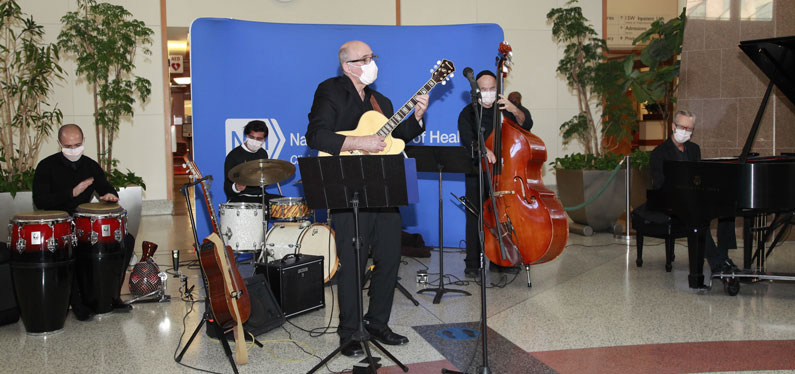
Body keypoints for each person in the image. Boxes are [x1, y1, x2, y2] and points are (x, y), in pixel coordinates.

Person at [305, 40, 429, 357]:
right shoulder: (331, 90)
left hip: (383, 190)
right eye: (366, 58)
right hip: (348, 191)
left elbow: (394, 141)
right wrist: (360, 141)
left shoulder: (381, 101)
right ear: (348, 66)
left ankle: (377, 324)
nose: (373, 62)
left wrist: (416, 118)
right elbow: (316, 135)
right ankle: (349, 333)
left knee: (389, 260)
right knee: (354, 265)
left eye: (374, 57)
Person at [32, 123, 134, 320]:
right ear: (59, 143)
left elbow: (105, 186)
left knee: (125, 241)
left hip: (83, 223)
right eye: (68, 146)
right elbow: (40, 200)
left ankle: (112, 296)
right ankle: (78, 302)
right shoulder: (46, 166)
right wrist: (72, 192)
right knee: (74, 249)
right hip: (58, 225)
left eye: (77, 145)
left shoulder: (90, 165)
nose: (73, 150)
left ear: (83, 142)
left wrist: (110, 195)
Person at [458, 72, 533, 278]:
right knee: (475, 216)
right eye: (484, 89)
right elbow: (467, 139)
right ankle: (473, 262)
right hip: (478, 171)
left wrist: (514, 109)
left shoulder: (506, 109)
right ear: (476, 91)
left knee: (504, 216)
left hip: (506, 174)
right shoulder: (468, 113)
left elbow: (527, 124)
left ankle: (503, 260)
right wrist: (484, 149)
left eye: (492, 89)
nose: (488, 93)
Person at [648, 110, 738, 275]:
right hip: (671, 201)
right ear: (673, 126)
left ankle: (723, 256)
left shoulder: (694, 149)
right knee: (699, 218)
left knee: (727, 209)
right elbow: (659, 183)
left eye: (690, 129)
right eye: (682, 127)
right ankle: (718, 264)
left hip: (695, 198)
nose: (685, 132)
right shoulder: (659, 153)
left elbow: (700, 177)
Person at [223, 119, 280, 204]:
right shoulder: (234, 155)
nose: (255, 141)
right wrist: (236, 187)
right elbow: (227, 187)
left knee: (285, 203)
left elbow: (264, 180)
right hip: (241, 199)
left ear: (264, 139)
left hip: (261, 196)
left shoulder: (262, 153)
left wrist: (268, 179)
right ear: (246, 135)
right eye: (252, 137)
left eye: (259, 139)